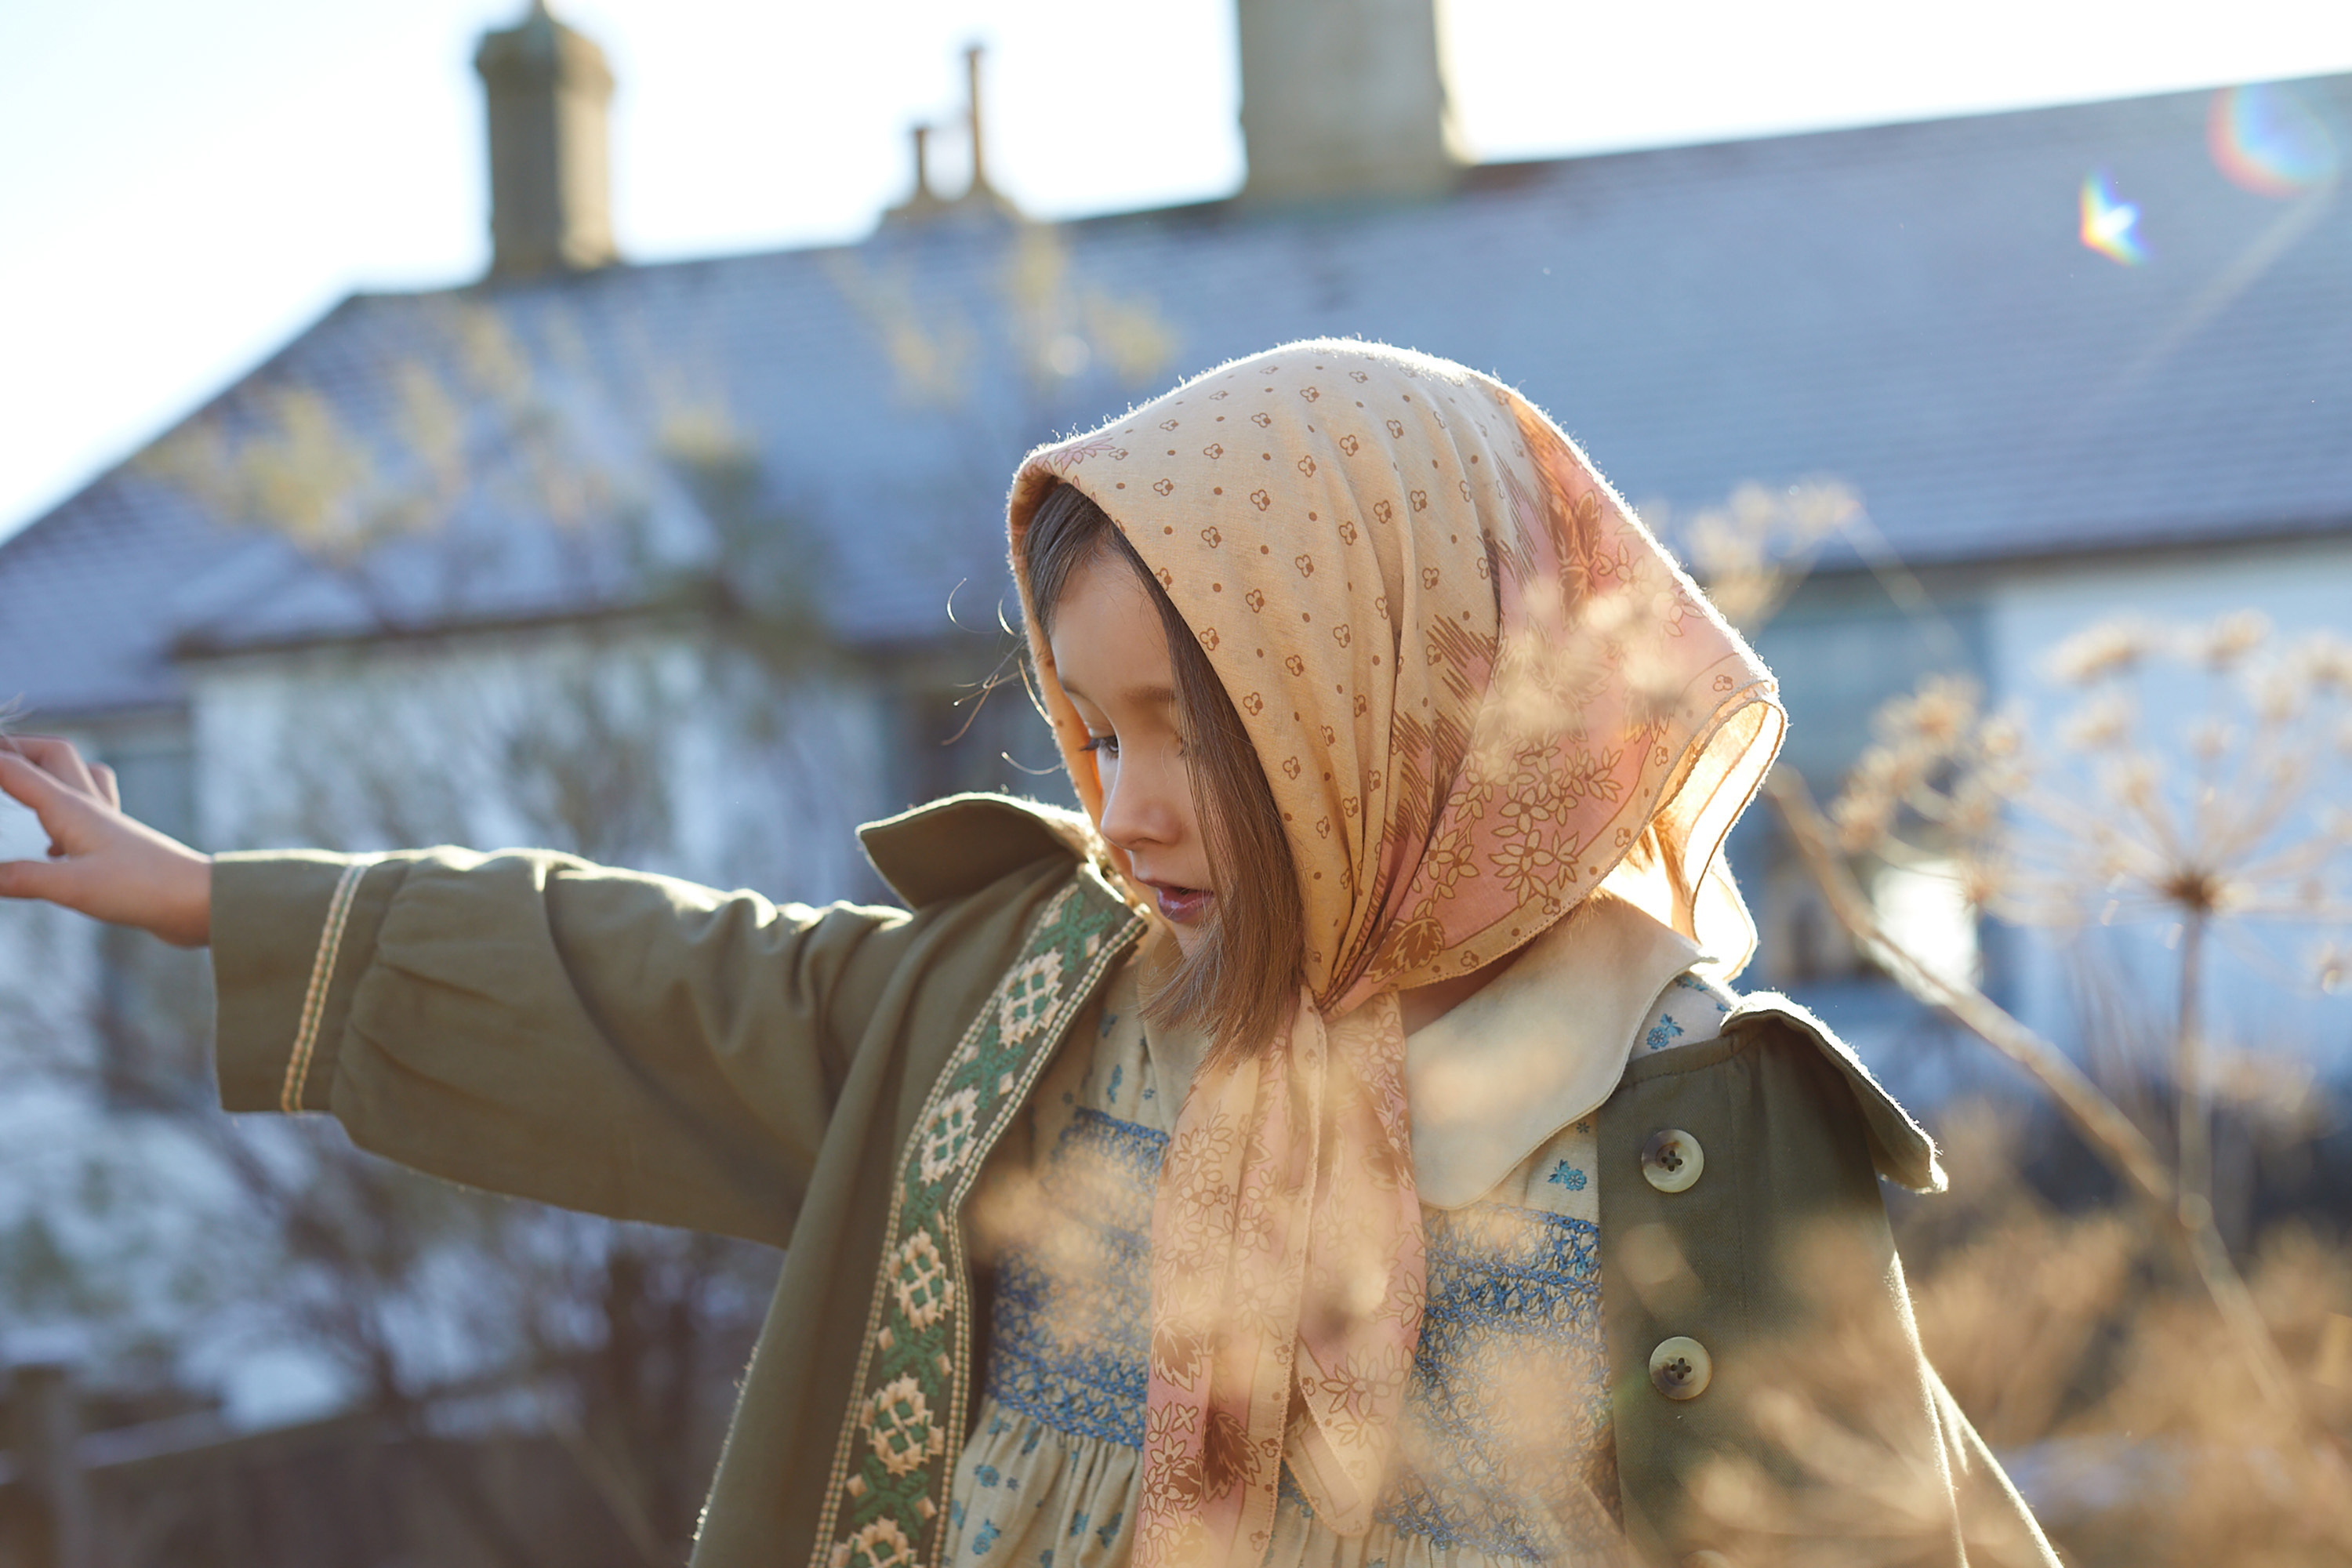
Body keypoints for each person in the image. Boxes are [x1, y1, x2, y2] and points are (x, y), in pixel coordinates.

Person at [0, 341, 2054, 1568]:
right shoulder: (1031, 1005)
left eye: (1210, 735)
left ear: (1414, 713)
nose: (1131, 804)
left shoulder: (1690, 1117)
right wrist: (223, 905)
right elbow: (656, 981)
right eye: (1099, 729)